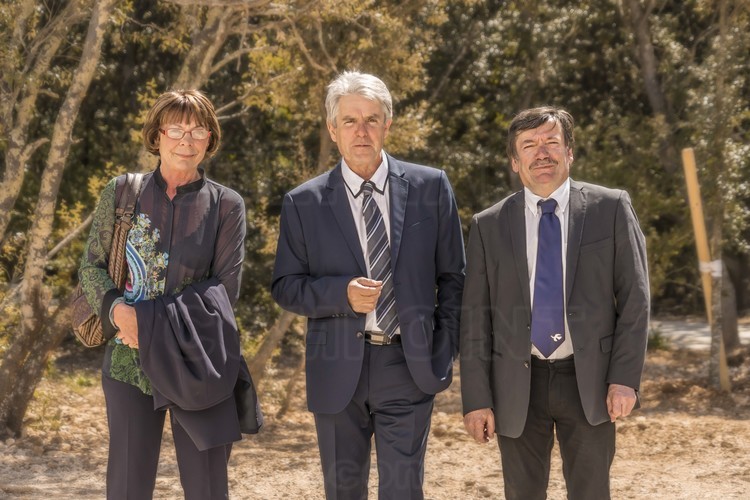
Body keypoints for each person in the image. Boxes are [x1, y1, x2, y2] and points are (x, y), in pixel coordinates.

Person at [271, 71, 465, 499]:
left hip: (408, 367)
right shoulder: (303, 202)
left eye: (372, 119)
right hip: (337, 370)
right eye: (350, 121)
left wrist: (442, 348)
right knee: (343, 491)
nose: (361, 131)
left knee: (402, 491)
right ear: (332, 129)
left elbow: (454, 278)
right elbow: (286, 286)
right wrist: (340, 294)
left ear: (388, 125)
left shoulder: (431, 187)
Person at [460, 106, 650, 500]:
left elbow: (635, 298)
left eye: (551, 142)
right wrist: (476, 400)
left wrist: (624, 378)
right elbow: (475, 319)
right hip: (516, 386)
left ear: (570, 153)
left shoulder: (610, 208)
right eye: (529, 145)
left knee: (591, 492)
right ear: (515, 161)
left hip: (590, 381)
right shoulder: (488, 224)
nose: (541, 152)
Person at [78, 89, 249, 499]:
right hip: (127, 361)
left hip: (198, 361)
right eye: (176, 128)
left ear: (211, 139)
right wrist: (119, 313)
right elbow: (91, 267)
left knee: (207, 487)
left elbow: (225, 290)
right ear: (157, 135)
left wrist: (149, 324)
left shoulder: (227, 205)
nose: (186, 140)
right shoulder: (122, 193)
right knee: (127, 486)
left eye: (198, 130)